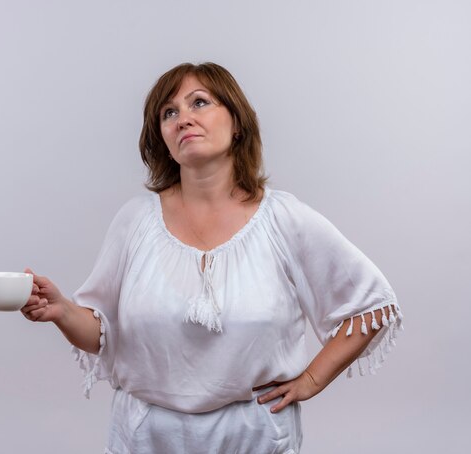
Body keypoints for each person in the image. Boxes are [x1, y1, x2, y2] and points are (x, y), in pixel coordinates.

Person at [21, 62, 403, 454]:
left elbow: (370, 304)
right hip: (146, 436)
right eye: (169, 113)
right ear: (163, 139)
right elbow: (101, 333)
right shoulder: (135, 220)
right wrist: (62, 310)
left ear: (237, 121)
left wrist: (312, 380)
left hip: (255, 437)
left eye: (199, 102)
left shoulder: (284, 220)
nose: (183, 118)